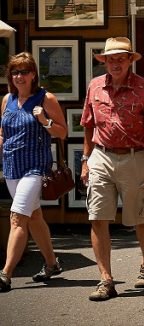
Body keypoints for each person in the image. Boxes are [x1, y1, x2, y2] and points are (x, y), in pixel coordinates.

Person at [80, 37, 144, 301]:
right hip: (101, 157)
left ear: (130, 60)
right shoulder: (95, 86)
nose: (115, 63)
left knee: (140, 216)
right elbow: (88, 123)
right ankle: (106, 279)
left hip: (135, 157)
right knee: (97, 216)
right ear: (103, 61)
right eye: (110, 59)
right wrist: (85, 160)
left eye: (120, 58)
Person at [0, 53, 67, 292]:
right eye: (15, 72)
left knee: (17, 218)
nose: (19, 77)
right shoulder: (7, 99)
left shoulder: (45, 98)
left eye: (24, 72)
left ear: (33, 75)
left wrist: (44, 121)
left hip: (35, 167)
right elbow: (2, 132)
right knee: (34, 217)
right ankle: (51, 264)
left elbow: (62, 132)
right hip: (11, 167)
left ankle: (5, 274)